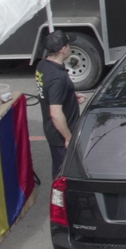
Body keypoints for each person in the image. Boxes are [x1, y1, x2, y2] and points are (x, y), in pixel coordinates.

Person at [38, 32, 81, 177]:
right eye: (68, 45)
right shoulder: (58, 77)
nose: (70, 48)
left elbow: (49, 90)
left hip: (51, 131)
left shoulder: (43, 65)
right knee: (65, 174)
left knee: (59, 168)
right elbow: (56, 114)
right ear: (63, 49)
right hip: (61, 135)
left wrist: (70, 95)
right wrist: (68, 138)